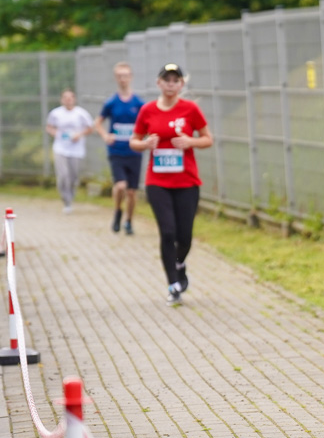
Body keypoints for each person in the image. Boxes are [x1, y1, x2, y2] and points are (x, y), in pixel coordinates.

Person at [130, 64, 213, 306]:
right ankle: (173, 284)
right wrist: (145, 144)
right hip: (158, 181)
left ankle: (180, 263)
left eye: (175, 80)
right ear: (159, 83)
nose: (170, 84)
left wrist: (190, 141)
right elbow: (134, 141)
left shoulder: (190, 109)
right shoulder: (147, 110)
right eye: (166, 79)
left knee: (184, 235)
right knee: (167, 232)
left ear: (181, 85)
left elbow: (208, 139)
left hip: (186, 180)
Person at [94, 62, 145, 235]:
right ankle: (117, 211)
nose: (123, 79)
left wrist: (142, 138)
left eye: (126, 75)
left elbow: (146, 123)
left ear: (131, 77)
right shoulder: (111, 102)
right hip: (117, 151)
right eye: (120, 76)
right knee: (121, 186)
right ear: (116, 79)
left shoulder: (138, 102)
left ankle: (129, 221)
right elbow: (98, 122)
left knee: (131, 191)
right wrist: (105, 136)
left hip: (134, 152)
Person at [45, 89, 94, 213]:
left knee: (73, 176)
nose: (68, 100)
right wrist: (56, 134)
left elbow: (90, 128)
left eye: (70, 97)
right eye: (65, 97)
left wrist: (79, 135)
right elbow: (49, 127)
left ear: (74, 99)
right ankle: (65, 200)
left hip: (76, 150)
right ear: (61, 99)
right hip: (60, 148)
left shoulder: (81, 113)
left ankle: (70, 197)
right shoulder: (55, 113)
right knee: (63, 175)